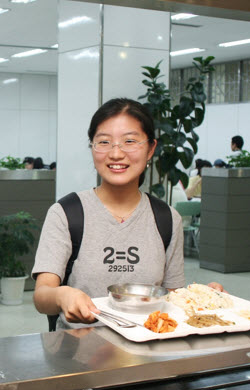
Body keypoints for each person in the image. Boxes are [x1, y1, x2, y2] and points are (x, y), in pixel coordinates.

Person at [32, 98, 224, 330]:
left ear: (151, 149)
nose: (116, 153)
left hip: (150, 349)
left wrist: (204, 297)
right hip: (78, 353)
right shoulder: (66, 213)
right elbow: (42, 296)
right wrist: (61, 295)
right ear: (92, 147)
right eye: (104, 142)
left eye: (130, 141)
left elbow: (173, 298)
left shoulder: (167, 219)